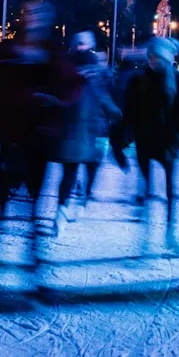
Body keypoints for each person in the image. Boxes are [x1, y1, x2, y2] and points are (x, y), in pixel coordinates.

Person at [0, 0, 82, 282]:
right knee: (1, 205)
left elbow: (73, 85)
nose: (33, 17)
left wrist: (58, 101)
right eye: (29, 12)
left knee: (35, 204)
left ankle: (33, 265)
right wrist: (19, 99)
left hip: (39, 139)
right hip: (10, 138)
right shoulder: (7, 49)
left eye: (39, 13)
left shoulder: (52, 53)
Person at [53, 31, 120, 233]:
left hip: (92, 128)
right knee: (72, 171)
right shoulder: (70, 68)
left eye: (84, 44)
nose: (81, 47)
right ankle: (65, 210)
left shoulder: (93, 70)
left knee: (85, 169)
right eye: (79, 43)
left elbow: (104, 95)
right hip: (79, 128)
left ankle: (76, 204)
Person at [124, 36, 179, 254]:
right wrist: (121, 137)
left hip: (167, 141)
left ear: (165, 58)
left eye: (156, 56)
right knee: (148, 189)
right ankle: (146, 237)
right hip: (145, 139)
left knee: (170, 191)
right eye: (150, 56)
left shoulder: (177, 79)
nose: (152, 59)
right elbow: (129, 110)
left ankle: (170, 234)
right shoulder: (139, 80)